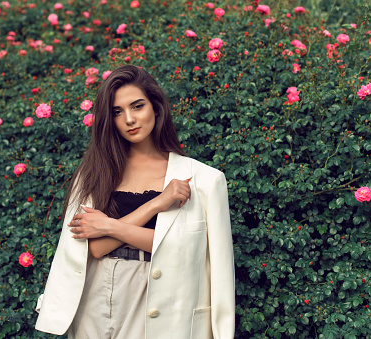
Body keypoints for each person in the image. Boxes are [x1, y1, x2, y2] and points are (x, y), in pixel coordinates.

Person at [35, 65, 235, 338]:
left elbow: (184, 251)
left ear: (156, 106)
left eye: (137, 106)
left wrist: (109, 226)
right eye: (117, 112)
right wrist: (156, 204)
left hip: (168, 304)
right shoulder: (95, 173)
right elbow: (97, 248)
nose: (129, 119)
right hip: (97, 302)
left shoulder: (204, 181)